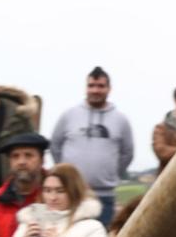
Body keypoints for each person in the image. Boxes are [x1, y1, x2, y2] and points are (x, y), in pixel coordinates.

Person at [48, 66, 134, 215]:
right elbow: (55, 146)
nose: (95, 90)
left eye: (100, 86)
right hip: (72, 194)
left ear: (109, 89)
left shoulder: (121, 120)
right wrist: (66, 174)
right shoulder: (69, 116)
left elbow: (127, 153)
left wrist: (111, 174)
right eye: (91, 86)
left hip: (104, 197)